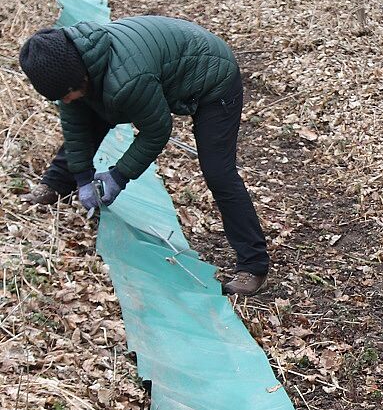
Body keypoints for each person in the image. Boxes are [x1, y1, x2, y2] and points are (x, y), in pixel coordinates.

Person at [18, 16, 270, 297]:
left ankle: (254, 265)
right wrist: (82, 178)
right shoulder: (72, 70)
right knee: (86, 112)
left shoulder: (126, 79)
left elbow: (156, 131)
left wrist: (117, 176)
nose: (65, 100)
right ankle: (55, 184)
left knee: (218, 172)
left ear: (81, 76)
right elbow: (76, 127)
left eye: (66, 93)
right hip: (161, 66)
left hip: (213, 76)